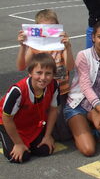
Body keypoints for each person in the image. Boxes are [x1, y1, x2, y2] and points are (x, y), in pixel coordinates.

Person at [16, 9, 75, 141]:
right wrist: (22, 46)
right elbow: (21, 66)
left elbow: (70, 66)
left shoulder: (60, 45)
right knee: (40, 125)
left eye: (52, 28)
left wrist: (68, 47)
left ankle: (50, 130)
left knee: (64, 135)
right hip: (41, 94)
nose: (47, 31)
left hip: (61, 91)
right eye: (44, 28)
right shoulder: (34, 46)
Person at [64, 20, 100, 157]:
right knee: (89, 150)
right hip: (79, 105)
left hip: (94, 108)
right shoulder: (83, 55)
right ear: (93, 37)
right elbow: (86, 87)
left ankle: (91, 128)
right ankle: (78, 128)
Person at [0, 53, 59, 163]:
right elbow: (6, 118)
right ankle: (4, 135)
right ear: (30, 72)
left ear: (53, 74)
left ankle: (29, 140)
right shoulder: (18, 91)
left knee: (44, 150)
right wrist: (18, 144)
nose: (43, 78)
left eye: (48, 74)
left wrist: (47, 136)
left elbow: (53, 110)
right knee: (19, 157)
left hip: (31, 122)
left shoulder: (54, 85)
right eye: (39, 73)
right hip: (7, 122)